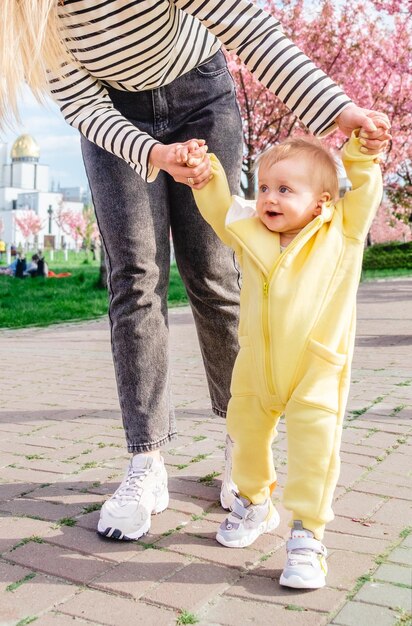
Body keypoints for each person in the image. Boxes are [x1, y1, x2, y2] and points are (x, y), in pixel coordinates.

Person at [1, 0, 390, 542]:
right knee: (136, 279)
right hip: (114, 119)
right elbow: (82, 103)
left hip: (200, 91)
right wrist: (154, 153)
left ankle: (242, 445)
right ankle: (146, 460)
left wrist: (334, 109)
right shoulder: (26, 13)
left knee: (215, 271)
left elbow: (249, 27)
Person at [187, 120, 386, 589]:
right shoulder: (252, 231)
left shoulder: (343, 232)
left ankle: (307, 536)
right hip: (255, 368)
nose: (269, 198)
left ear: (322, 202)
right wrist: (207, 172)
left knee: (314, 451)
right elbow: (221, 210)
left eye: (285, 189)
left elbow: (364, 188)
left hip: (316, 368)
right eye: (264, 188)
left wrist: (361, 153)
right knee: (245, 436)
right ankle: (255, 502)